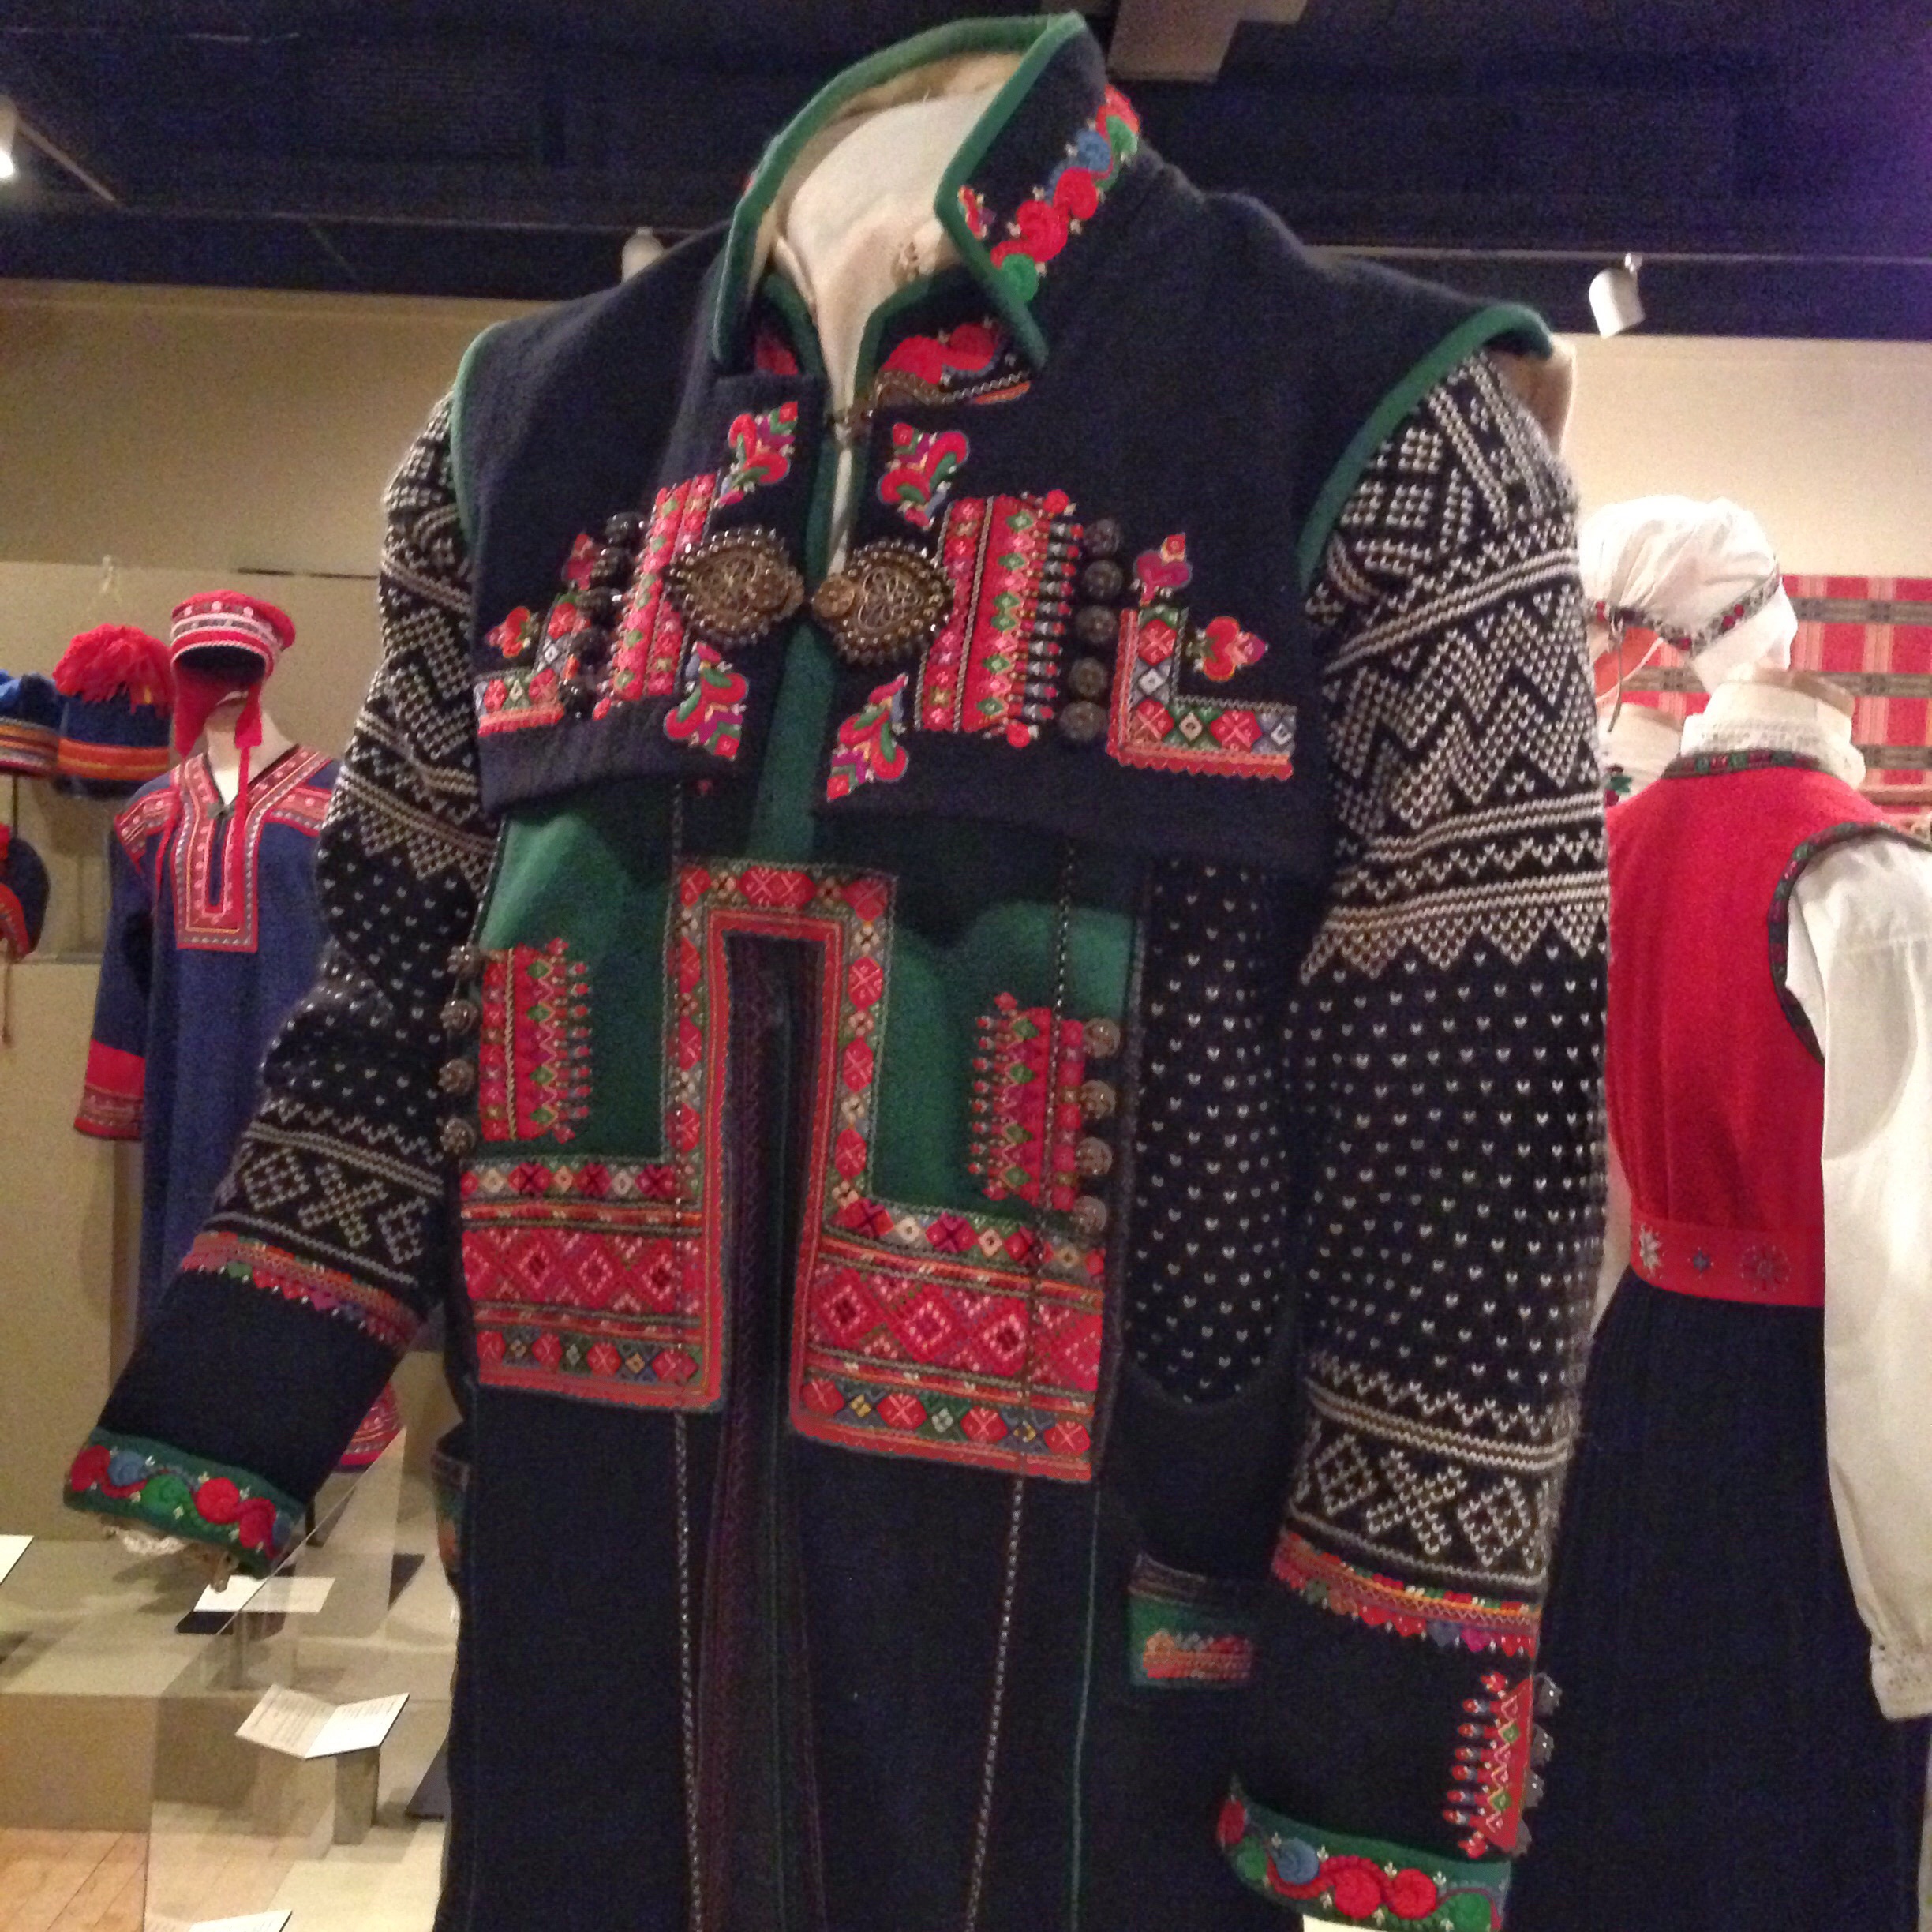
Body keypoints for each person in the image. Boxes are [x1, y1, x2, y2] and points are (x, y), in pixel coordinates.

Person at [64, 18, 1608, 1926]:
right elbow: (394, 957)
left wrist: (1391, 1682)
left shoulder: (1369, 414)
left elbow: (1476, 1117)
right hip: (594, 1627)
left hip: (1096, 1675)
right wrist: (244, 1391)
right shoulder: (528, 428)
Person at [1511, 496, 1932, 1932]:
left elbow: (1580, 1200)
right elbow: (1902, 1276)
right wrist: (1915, 1612)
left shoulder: (1607, 855)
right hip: (1810, 1416)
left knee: (1622, 1779)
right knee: (1783, 1800)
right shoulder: (1875, 892)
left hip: (1640, 1376)